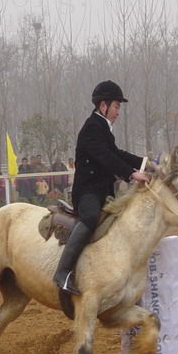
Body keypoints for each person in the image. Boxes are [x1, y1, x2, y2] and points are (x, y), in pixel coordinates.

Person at [53, 80, 149, 296]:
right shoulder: (91, 128)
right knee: (89, 218)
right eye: (116, 107)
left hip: (103, 191)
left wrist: (145, 163)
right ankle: (63, 272)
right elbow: (106, 158)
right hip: (87, 192)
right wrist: (132, 174)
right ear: (103, 106)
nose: (118, 112)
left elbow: (116, 153)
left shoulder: (103, 128)